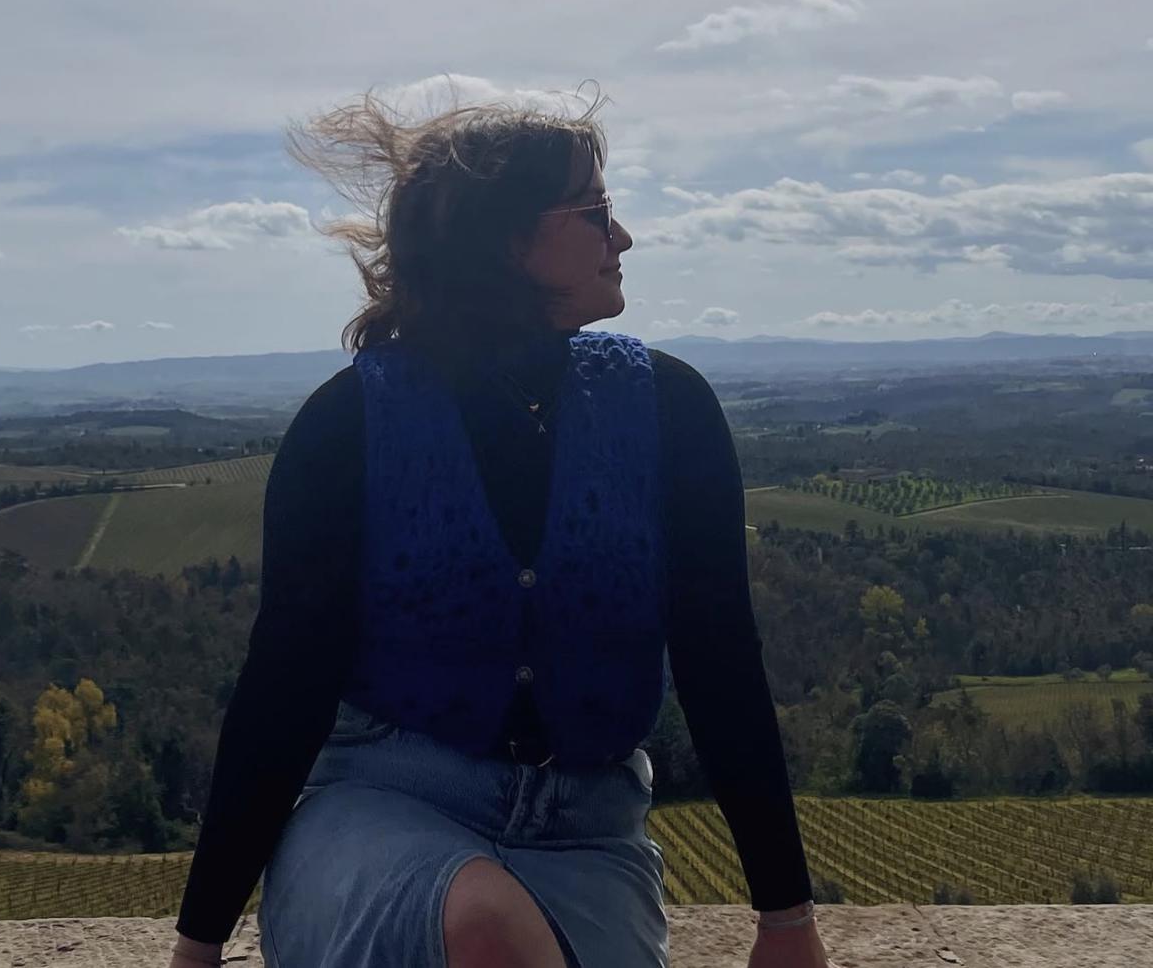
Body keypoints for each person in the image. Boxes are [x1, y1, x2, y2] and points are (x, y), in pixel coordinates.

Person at [168, 82, 832, 968]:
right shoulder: (349, 427)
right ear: (508, 240)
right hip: (385, 806)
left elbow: (720, 659)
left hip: (589, 835)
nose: (623, 238)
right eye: (597, 211)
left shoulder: (671, 410)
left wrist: (786, 919)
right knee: (484, 929)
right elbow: (284, 684)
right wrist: (199, 942)